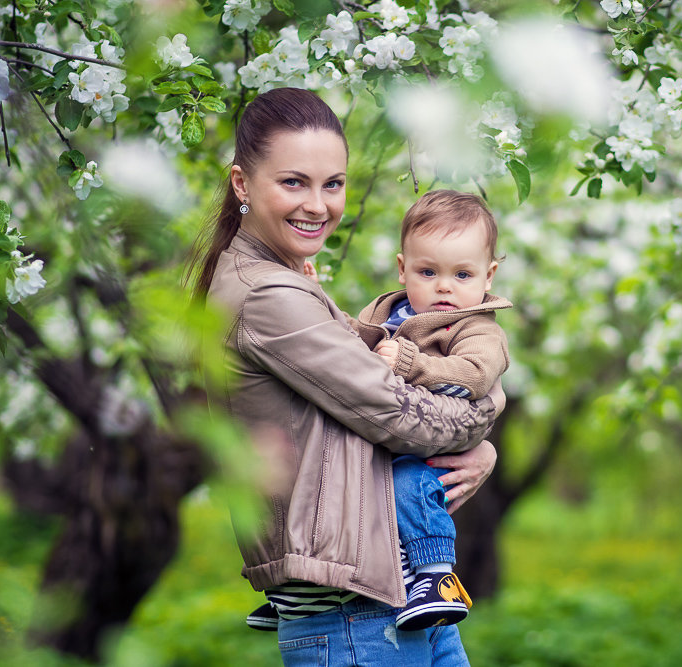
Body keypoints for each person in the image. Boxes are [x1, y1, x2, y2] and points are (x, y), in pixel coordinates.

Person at [189, 87, 501, 666]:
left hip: (390, 599)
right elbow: (399, 415)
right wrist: (482, 425)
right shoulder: (265, 295)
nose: (318, 204)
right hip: (351, 615)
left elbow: (368, 404)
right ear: (241, 185)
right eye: (293, 182)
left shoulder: (287, 279)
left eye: (332, 183)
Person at [248, 190, 510, 633]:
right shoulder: (388, 311)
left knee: (408, 487)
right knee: (334, 487)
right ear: (403, 268)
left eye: (462, 274)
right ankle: (300, 590)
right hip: (388, 435)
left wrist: (411, 363)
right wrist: (314, 297)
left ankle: (435, 575)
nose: (444, 286)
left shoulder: (478, 327)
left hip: (429, 447)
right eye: (428, 272)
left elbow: (475, 375)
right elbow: (347, 342)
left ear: (489, 276)